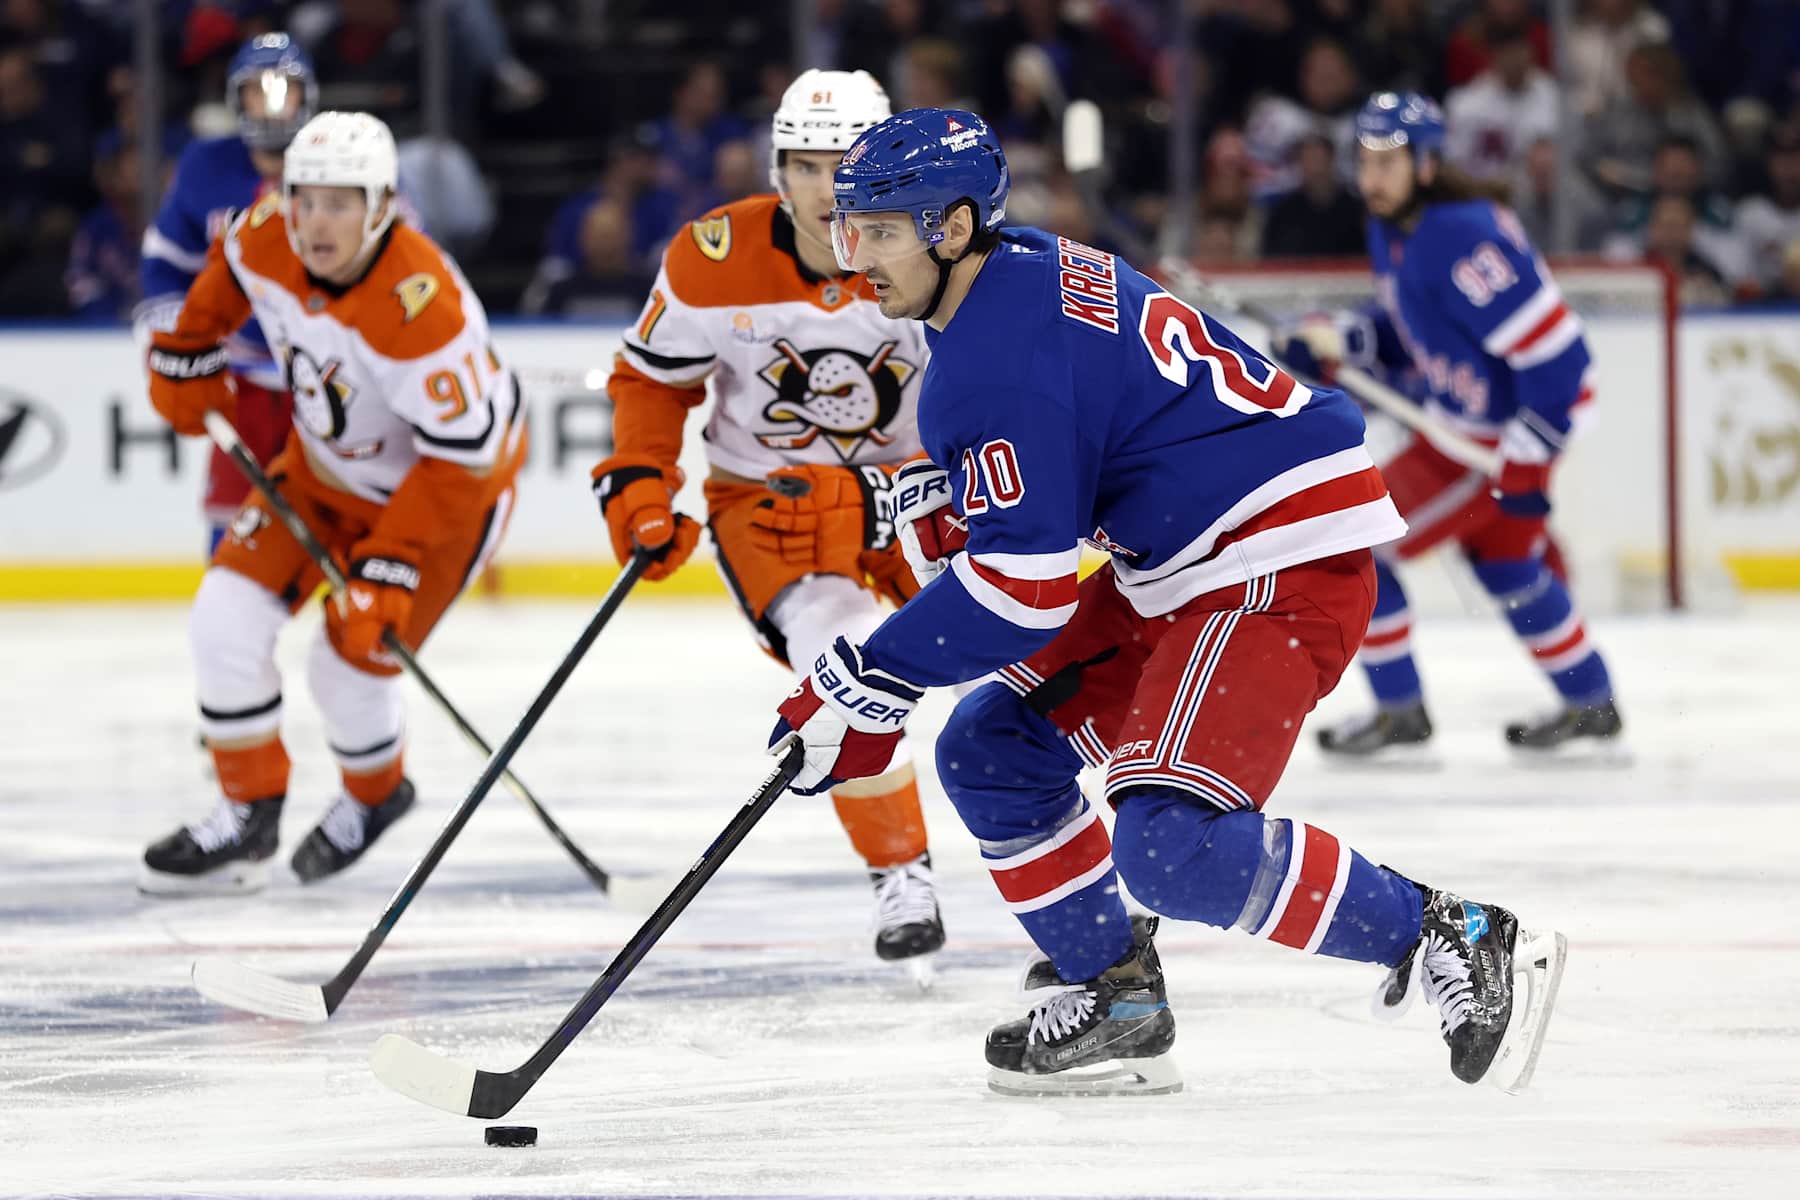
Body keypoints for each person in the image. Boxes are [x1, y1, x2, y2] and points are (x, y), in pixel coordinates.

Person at [766, 107, 1568, 1096]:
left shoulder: (994, 358)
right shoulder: (1011, 276)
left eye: (882, 231)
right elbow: (1063, 477)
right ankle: (1116, 995)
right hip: (1190, 557)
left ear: (957, 227)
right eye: (850, 230)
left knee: (1170, 845)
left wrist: (863, 679)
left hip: (1273, 560)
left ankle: (1451, 933)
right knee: (990, 748)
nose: (858, 256)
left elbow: (1023, 593)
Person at [591, 71, 945, 974]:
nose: (827, 189)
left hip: (924, 500)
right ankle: (902, 870)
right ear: (775, 168)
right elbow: (650, 381)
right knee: (849, 663)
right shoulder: (712, 256)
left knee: (1039, 676)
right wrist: (638, 486)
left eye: (847, 165)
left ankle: (1082, 889)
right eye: (806, 165)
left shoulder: (933, 249)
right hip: (775, 509)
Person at [138, 111, 526, 895]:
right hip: (319, 474)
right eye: (303, 198)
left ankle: (377, 796)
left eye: (340, 203)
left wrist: (391, 564)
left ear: (383, 206)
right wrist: (187, 355)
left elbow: (460, 466)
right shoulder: (265, 234)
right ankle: (248, 814)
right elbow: (225, 277)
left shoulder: (427, 313)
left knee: (346, 662)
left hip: (444, 499)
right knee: (224, 616)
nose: (314, 221)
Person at [1282, 92, 1625, 759]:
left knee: (1355, 545)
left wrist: (1528, 460)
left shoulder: (1461, 235)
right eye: (1364, 159)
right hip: (1465, 430)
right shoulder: (1396, 229)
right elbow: (1410, 327)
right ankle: (1590, 699)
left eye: (1388, 161)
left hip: (1492, 441)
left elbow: (1558, 358)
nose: (1371, 176)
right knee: (1504, 564)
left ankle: (1399, 708)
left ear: (1429, 163)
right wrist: (1343, 341)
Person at [138, 33, 315, 553]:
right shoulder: (205, 166)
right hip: (247, 382)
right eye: (260, 91)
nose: (273, 104)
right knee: (234, 524)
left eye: (285, 89)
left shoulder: (339, 164)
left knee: (346, 512)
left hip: (330, 377)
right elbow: (166, 262)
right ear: (238, 100)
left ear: (309, 96)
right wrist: (174, 334)